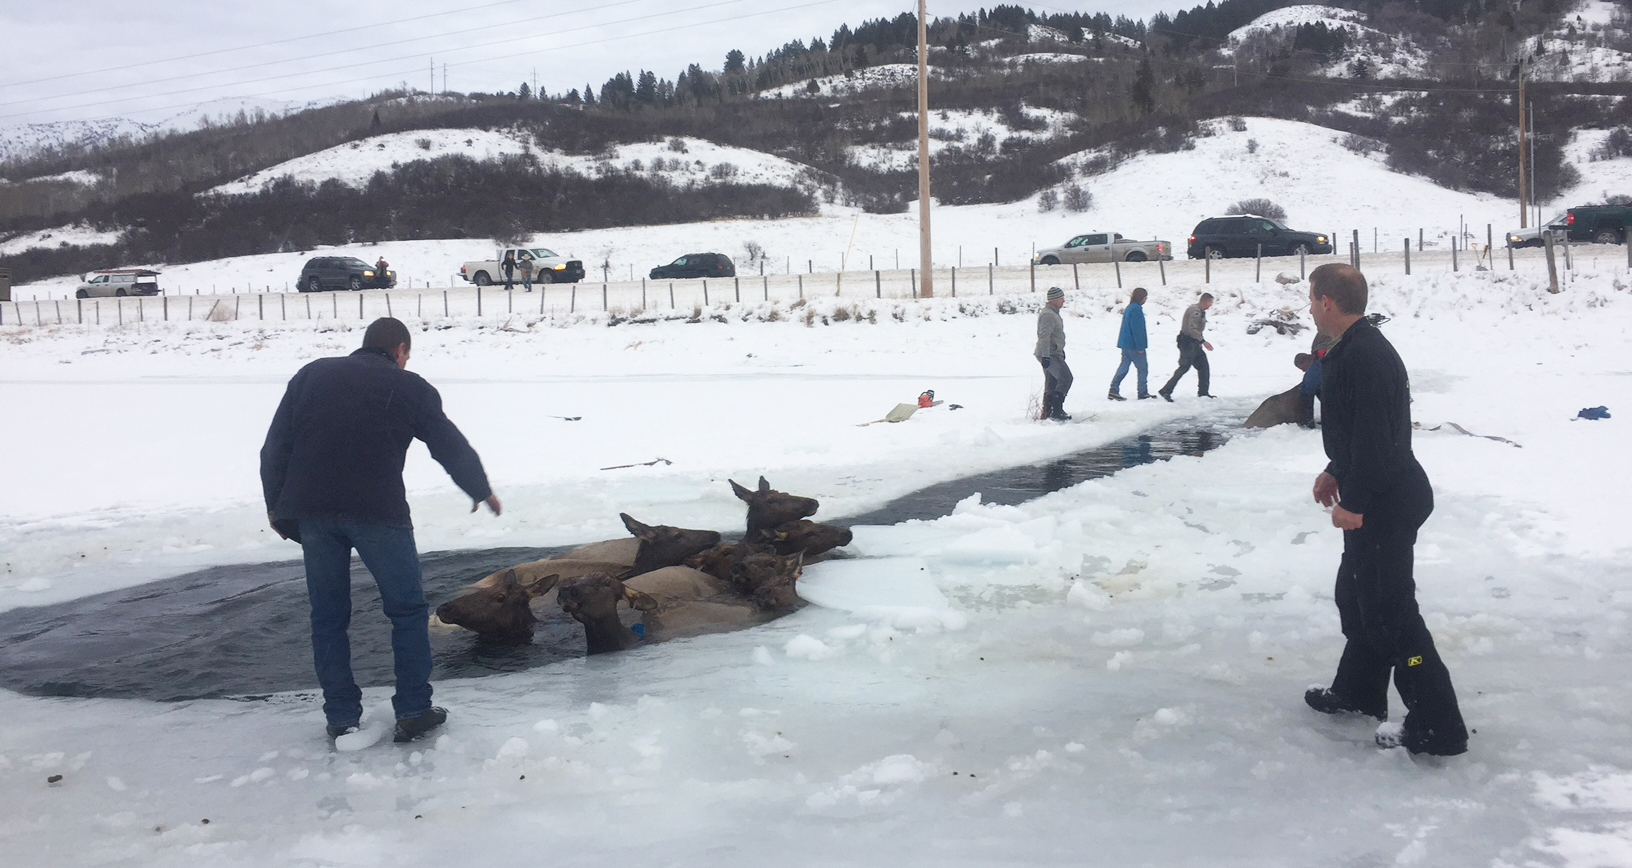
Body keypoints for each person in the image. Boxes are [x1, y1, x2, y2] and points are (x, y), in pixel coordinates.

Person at [260, 317, 503, 744]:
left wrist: (277, 507)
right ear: (401, 350)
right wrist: (479, 489)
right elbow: (447, 443)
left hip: (313, 512)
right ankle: (413, 709)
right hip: (379, 512)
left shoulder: (311, 375)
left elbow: (275, 447)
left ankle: (340, 717)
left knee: (328, 617)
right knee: (406, 611)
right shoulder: (411, 387)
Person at [1302, 263, 1468, 757]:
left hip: (1386, 499)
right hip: (1377, 488)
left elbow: (1379, 442)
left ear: (1328, 302)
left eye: (1312, 299)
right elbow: (1362, 432)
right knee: (1356, 598)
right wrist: (1336, 468)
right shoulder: (1353, 349)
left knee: (1391, 612)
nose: (1310, 307)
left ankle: (1439, 727)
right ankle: (1358, 692)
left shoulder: (1365, 356)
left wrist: (1354, 503)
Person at [1158, 292, 1214, 401]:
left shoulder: (1200, 311)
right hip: (1188, 343)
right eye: (1210, 302)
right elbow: (1192, 329)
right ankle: (1166, 390)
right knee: (1184, 367)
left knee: (1203, 366)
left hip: (1195, 343)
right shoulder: (1195, 312)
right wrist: (1203, 341)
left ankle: (1203, 392)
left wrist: (1199, 342)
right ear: (1206, 301)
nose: (1211, 305)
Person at [1108, 287, 1152, 401]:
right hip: (1134, 345)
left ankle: (1113, 389)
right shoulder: (1136, 309)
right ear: (1141, 298)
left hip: (1125, 343)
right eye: (1145, 297)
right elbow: (1138, 330)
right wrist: (1140, 347)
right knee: (1143, 368)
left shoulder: (1129, 307)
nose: (1146, 299)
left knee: (1124, 367)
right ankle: (1142, 392)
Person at [1035, 286, 1072, 421]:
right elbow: (1044, 336)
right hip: (1049, 354)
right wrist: (1046, 356)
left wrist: (1061, 351)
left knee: (1052, 382)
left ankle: (1047, 412)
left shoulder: (1053, 313)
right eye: (1061, 298)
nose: (1063, 301)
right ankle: (1057, 410)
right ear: (1054, 300)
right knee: (1066, 378)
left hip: (1054, 352)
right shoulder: (1048, 315)